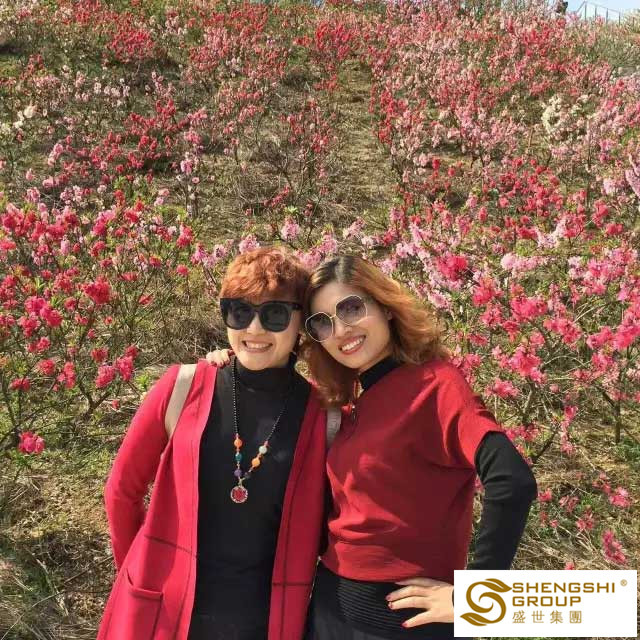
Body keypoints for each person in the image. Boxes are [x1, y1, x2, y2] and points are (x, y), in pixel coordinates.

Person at [207, 254, 537, 640]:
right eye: (322, 323)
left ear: (385, 307)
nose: (340, 330)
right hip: (328, 613)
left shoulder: (436, 384)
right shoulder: (353, 402)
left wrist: (475, 599)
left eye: (351, 308)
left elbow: (512, 481)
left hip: (404, 624)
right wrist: (238, 361)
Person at [97, 247, 329, 640]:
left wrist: (452, 597)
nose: (254, 329)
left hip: (263, 623)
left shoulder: (322, 415)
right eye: (239, 312)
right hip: (165, 616)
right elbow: (121, 491)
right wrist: (137, 570)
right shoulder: (183, 386)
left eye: (274, 314)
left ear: (300, 323)